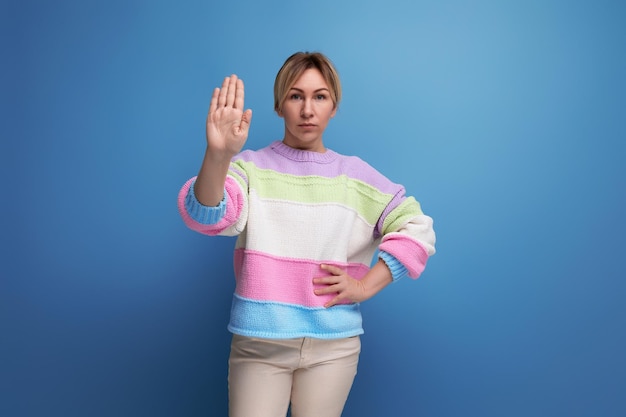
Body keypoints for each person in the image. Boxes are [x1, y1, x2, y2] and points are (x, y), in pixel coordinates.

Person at [177, 51, 436, 417]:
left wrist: (365, 286)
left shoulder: (355, 176)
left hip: (334, 348)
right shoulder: (250, 168)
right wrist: (218, 156)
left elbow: (417, 227)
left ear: (334, 106)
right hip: (260, 344)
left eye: (320, 96)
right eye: (296, 96)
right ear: (279, 105)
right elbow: (205, 215)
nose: (307, 109)